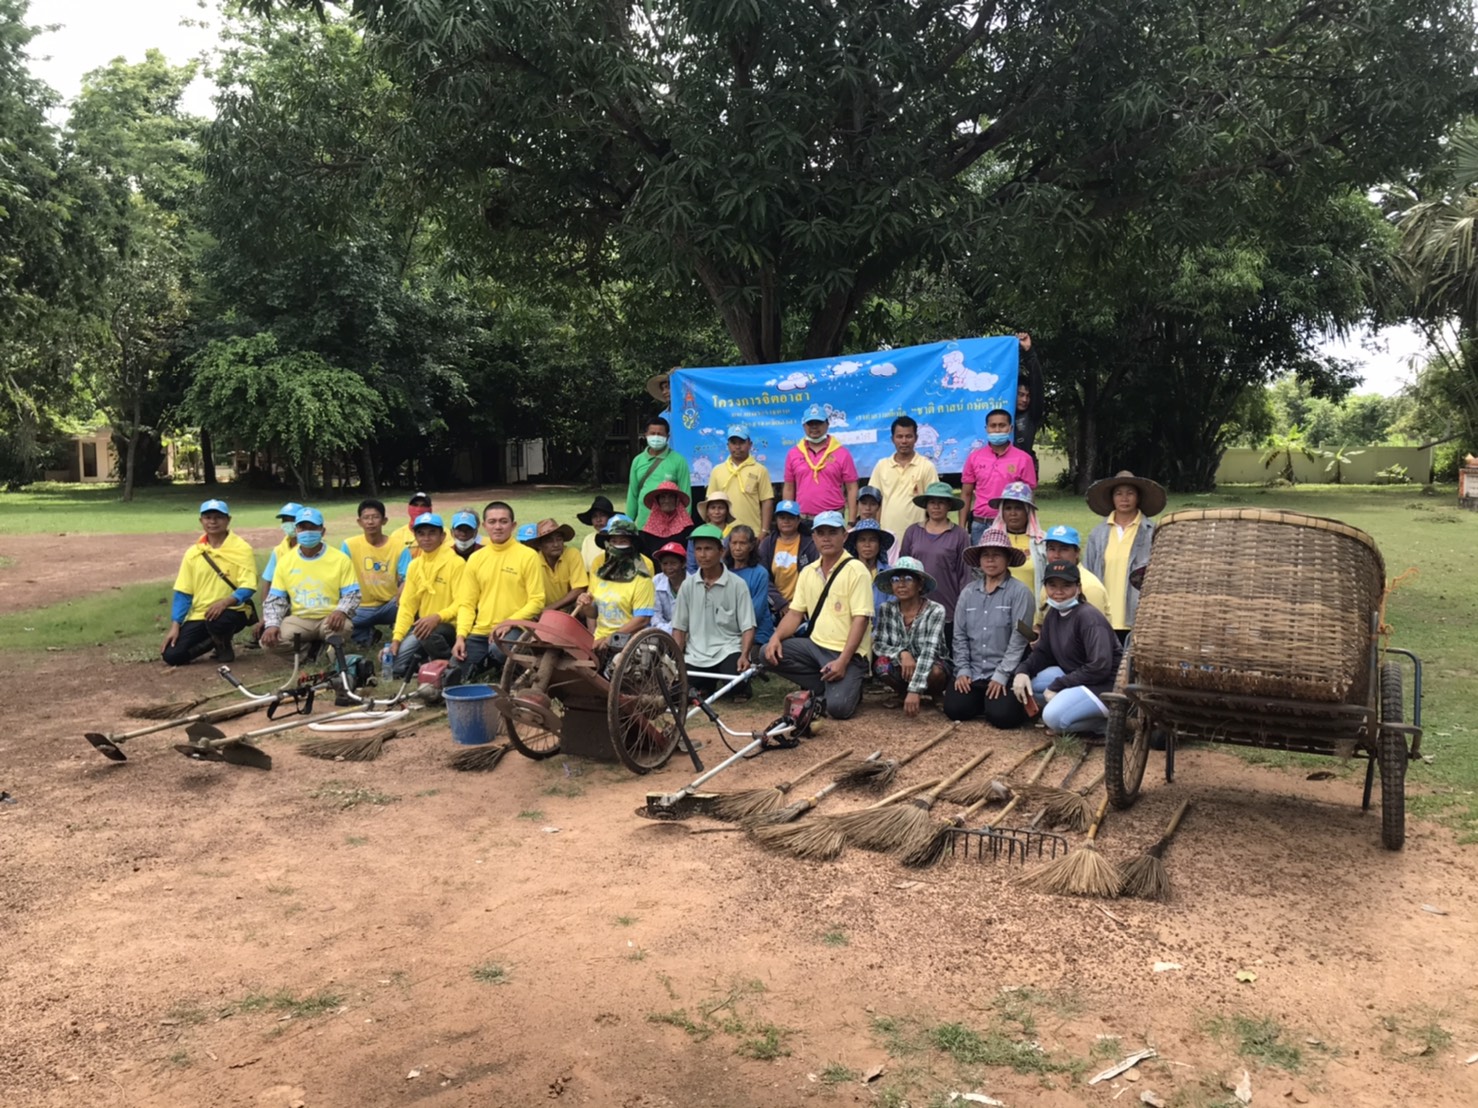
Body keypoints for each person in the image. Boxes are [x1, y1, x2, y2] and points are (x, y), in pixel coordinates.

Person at [762, 511, 874, 720]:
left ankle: (846, 686)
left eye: (832, 532)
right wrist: (776, 637)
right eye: (821, 533)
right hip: (815, 646)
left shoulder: (857, 570)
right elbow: (795, 614)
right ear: (813, 538)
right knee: (767, 652)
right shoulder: (808, 571)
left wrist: (843, 661)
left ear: (844, 536)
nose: (826, 538)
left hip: (848, 653)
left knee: (838, 709)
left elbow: (861, 619)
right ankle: (826, 684)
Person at [1012, 561, 1122, 736]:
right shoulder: (1053, 614)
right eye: (1052, 585)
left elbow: (1099, 667)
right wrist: (1022, 671)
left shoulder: (1088, 617)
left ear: (1078, 588)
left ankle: (1108, 725)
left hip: (1105, 685)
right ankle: (1079, 715)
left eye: (1066, 585)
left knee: (1053, 718)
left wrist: (1058, 685)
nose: (1059, 592)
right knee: (1034, 685)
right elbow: (1043, 653)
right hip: (1079, 677)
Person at [944, 526, 1036, 727]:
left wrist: (1002, 674)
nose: (990, 560)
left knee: (1003, 718)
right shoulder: (968, 593)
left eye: (997, 555)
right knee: (955, 709)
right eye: (985, 555)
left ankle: (996, 701)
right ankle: (983, 700)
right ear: (979, 560)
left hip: (1006, 669)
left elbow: (1019, 639)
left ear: (1008, 559)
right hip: (975, 669)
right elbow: (959, 636)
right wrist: (963, 670)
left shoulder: (1020, 593)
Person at [452, 500, 546, 679]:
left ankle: (500, 666)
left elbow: (537, 600)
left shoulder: (528, 556)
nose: (498, 527)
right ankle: (487, 666)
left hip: (514, 628)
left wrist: (510, 621)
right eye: (492, 522)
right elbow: (467, 603)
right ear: (484, 526)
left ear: (513, 525)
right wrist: (461, 636)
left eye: (503, 521)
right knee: (452, 675)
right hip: (481, 631)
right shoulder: (476, 558)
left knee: (498, 651)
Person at [161, 498, 257, 666]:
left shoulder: (242, 549)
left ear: (228, 520)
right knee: (172, 654)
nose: (213, 521)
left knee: (218, 621)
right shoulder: (193, 553)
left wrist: (224, 603)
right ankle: (214, 641)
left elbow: (248, 586)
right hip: (201, 614)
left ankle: (223, 645)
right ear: (201, 521)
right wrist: (176, 625)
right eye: (208, 517)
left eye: (218, 517)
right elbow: (184, 591)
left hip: (233, 610)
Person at [261, 507, 360, 654]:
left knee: (344, 627)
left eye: (312, 527)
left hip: (329, 617)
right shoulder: (285, 562)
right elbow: (275, 598)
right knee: (269, 642)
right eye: (302, 527)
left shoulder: (340, 559)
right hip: (299, 619)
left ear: (322, 531)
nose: (307, 532)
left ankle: (328, 652)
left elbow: (352, 593)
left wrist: (341, 611)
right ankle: (310, 653)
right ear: (296, 531)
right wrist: (272, 624)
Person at [673, 524, 757, 696]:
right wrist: (676, 659)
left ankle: (725, 684)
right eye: (698, 549)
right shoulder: (687, 586)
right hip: (696, 652)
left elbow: (748, 626)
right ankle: (706, 684)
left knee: (737, 687)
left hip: (728, 649)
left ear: (721, 551)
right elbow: (679, 628)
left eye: (708, 549)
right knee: (677, 691)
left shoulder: (738, 584)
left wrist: (744, 655)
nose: (702, 555)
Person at [1082, 470, 1165, 641]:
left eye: (1130, 493)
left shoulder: (1152, 532)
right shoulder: (1098, 534)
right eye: (1118, 494)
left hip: (1138, 615)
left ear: (1138, 497)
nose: (1124, 498)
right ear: (1112, 498)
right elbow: (1087, 573)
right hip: (1102, 616)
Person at [388, 512, 465, 679]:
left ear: (442, 536)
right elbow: (407, 605)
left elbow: (462, 603)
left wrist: (438, 617)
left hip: (450, 626)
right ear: (415, 537)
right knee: (397, 668)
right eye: (421, 534)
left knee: (429, 632)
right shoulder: (415, 565)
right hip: (424, 627)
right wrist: (397, 638)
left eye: (432, 533)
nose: (426, 538)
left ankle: (451, 666)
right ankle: (426, 659)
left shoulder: (456, 563)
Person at [872, 556, 951, 717]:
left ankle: (934, 693)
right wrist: (902, 653)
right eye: (895, 579)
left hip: (930, 662)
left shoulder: (935, 610)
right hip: (902, 664)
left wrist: (915, 690)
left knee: (936, 672)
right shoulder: (887, 609)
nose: (901, 584)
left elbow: (929, 651)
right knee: (881, 666)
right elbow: (879, 644)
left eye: (908, 578)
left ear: (920, 584)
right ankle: (902, 693)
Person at [900, 482, 971, 641]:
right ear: (926, 505)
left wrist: (963, 607)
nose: (936, 506)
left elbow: (965, 574)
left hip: (948, 607)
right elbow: (902, 569)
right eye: (932, 502)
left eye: (941, 502)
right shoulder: (912, 532)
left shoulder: (960, 535)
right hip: (914, 607)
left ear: (949, 506)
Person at [577, 518, 656, 658]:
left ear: (632, 545)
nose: (617, 546)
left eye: (623, 541)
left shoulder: (642, 579)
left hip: (629, 642)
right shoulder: (601, 574)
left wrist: (611, 638)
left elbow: (642, 619)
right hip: (599, 638)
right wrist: (586, 605)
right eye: (613, 541)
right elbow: (593, 613)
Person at [960, 409, 1038, 541]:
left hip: (1010, 526)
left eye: (1002, 425)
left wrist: (1031, 526)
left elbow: (1029, 496)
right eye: (993, 426)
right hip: (980, 523)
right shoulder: (974, 457)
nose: (997, 430)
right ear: (986, 429)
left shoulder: (1024, 459)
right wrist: (962, 526)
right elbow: (966, 494)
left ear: (1010, 428)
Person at [867, 415, 939, 552]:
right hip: (887, 538)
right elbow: (874, 503)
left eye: (908, 436)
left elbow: (934, 503)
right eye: (899, 437)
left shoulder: (926, 466)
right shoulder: (882, 466)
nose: (904, 441)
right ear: (892, 439)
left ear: (916, 438)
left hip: (918, 538)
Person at [341, 498, 406, 646]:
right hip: (359, 607)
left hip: (390, 604)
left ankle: (401, 633)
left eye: (375, 517)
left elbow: (408, 576)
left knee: (414, 604)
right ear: (359, 522)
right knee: (338, 622)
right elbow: (340, 575)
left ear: (384, 520)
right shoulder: (349, 545)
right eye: (366, 518)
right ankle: (366, 635)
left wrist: (403, 589)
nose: (370, 522)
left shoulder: (399, 546)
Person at [782, 404, 858, 522]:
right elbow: (789, 488)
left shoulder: (842, 453)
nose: (814, 427)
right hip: (804, 519)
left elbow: (852, 488)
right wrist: (789, 518)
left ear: (827, 424)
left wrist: (851, 522)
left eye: (818, 423)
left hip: (834, 518)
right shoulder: (793, 454)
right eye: (810, 423)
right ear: (804, 426)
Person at [250, 500, 304, 646]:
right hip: (283, 599)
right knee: (268, 630)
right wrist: (266, 614)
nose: (288, 523)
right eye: (285, 520)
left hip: (306, 599)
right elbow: (268, 581)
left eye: (292, 519)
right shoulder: (279, 550)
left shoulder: (311, 546)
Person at [705, 424, 774, 535]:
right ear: (728, 445)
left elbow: (767, 501)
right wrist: (711, 531)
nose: (737, 447)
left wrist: (764, 531)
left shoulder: (760, 470)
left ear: (750, 444)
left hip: (752, 532)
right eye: (733, 443)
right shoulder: (717, 470)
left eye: (741, 442)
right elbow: (710, 502)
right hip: (722, 533)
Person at [1034, 525, 1109, 624]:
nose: (1056, 555)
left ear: (1077, 552)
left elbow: (1095, 628)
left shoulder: (1090, 587)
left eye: (1063, 549)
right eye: (1052, 549)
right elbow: (1040, 623)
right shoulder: (1049, 580)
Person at [627, 416, 691, 529]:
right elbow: (633, 494)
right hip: (644, 524)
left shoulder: (679, 461)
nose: (656, 437)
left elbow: (686, 496)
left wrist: (685, 526)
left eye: (660, 434)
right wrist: (628, 522)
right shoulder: (637, 461)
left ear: (667, 437)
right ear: (645, 435)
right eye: (652, 433)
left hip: (670, 526)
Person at [756, 499, 817, 616]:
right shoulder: (767, 544)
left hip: (804, 606)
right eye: (782, 517)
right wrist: (780, 603)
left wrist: (799, 605)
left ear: (798, 520)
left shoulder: (810, 544)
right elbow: (762, 577)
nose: (786, 521)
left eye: (791, 518)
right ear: (776, 520)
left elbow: (815, 577)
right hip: (773, 607)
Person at [989, 480, 1046, 595]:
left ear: (1027, 511)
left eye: (1018, 508)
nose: (1013, 513)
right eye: (1008, 508)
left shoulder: (1041, 541)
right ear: (1002, 511)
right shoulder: (991, 539)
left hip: (1033, 603)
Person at [723, 525, 775, 649]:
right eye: (734, 543)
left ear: (751, 546)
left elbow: (756, 611)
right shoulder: (723, 571)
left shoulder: (760, 573)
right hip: (726, 633)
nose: (737, 548)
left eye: (742, 543)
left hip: (756, 635)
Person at [526, 518, 587, 612]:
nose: (556, 544)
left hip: (572, 611)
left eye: (559, 539)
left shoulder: (572, 554)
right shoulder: (533, 561)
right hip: (541, 612)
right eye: (549, 541)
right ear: (539, 545)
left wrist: (550, 608)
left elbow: (579, 588)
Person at [844, 518, 894, 616]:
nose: (867, 545)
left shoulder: (889, 574)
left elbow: (893, 606)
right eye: (862, 540)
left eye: (872, 540)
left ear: (879, 545)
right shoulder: (846, 572)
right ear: (855, 545)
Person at [1013, 333, 1046, 465]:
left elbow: (1037, 383)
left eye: (1028, 396)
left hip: (1023, 470)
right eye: (1020, 395)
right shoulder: (1001, 412)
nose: (1025, 400)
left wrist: (1029, 353)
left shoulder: (1032, 415)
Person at [640, 480, 694, 558]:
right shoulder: (648, 532)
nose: (667, 501)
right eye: (663, 497)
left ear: (677, 500)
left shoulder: (687, 528)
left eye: (671, 497)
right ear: (657, 501)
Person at [590, 514, 657, 577]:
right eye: (613, 541)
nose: (618, 545)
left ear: (632, 543)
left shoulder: (646, 564)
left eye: (623, 541)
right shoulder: (599, 561)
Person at [387, 491, 434, 563]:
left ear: (430, 509)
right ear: (409, 508)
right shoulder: (397, 535)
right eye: (415, 505)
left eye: (423, 505)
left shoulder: (441, 533)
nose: (419, 509)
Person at [652, 541, 688, 633]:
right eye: (665, 563)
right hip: (661, 632)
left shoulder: (693, 583)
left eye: (673, 563)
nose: (669, 567)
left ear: (683, 563)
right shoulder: (656, 581)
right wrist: (665, 631)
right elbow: (655, 615)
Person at [577, 494, 615, 570]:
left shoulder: (618, 538)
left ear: (610, 518)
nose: (598, 520)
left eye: (602, 515)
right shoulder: (588, 539)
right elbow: (584, 567)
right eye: (594, 516)